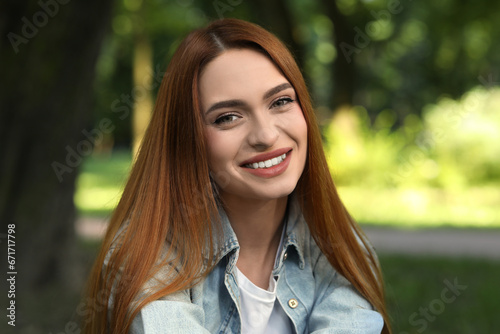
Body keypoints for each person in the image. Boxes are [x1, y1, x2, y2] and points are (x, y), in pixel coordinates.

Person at [83, 18, 391, 334]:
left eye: (281, 101)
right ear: (188, 139)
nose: (266, 135)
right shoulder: (147, 256)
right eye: (228, 117)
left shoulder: (341, 247)